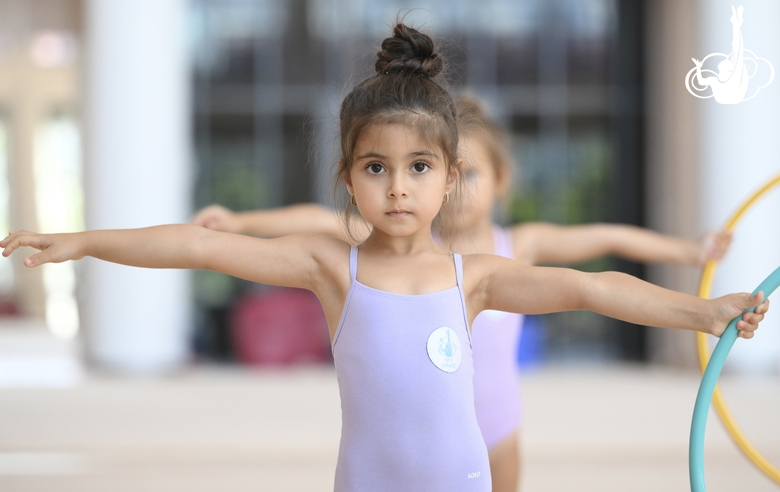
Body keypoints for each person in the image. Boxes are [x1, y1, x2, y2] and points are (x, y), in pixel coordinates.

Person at [2, 23, 768, 492]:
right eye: (376, 168)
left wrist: (701, 311)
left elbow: (592, 288)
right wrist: (84, 241)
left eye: (420, 168)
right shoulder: (334, 269)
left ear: (451, 176)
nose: (398, 188)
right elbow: (202, 245)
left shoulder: (479, 279)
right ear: (348, 179)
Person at [192, 95, 733, 492]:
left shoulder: (506, 252)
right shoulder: (396, 245)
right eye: (381, 168)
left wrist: (693, 268)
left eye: (469, 174)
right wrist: (240, 219)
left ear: (496, 179)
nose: (401, 184)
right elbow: (311, 220)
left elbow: (599, 264)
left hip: (493, 432)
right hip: (393, 452)